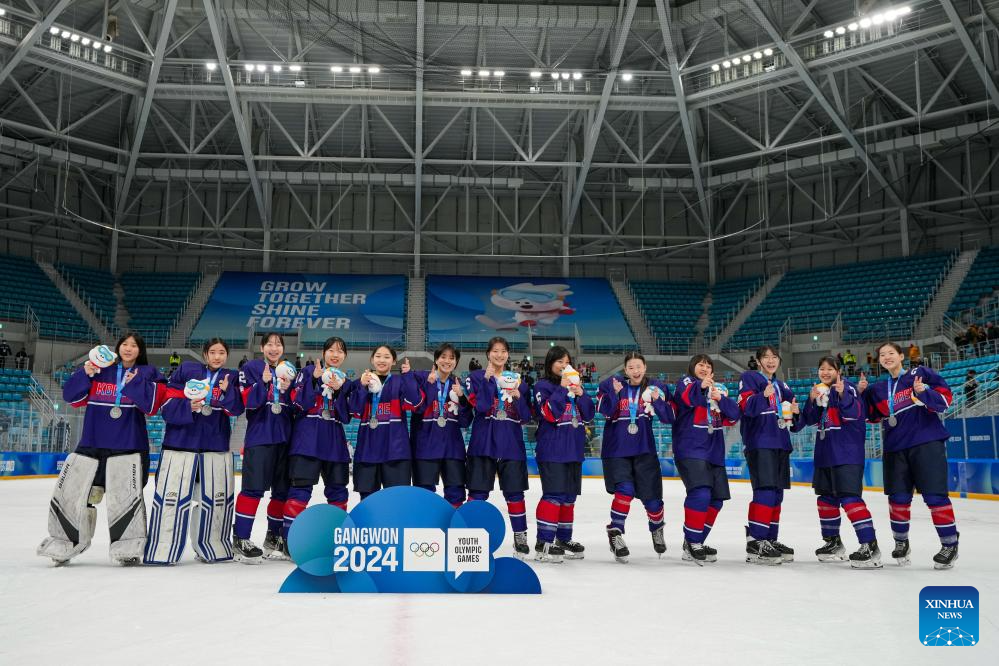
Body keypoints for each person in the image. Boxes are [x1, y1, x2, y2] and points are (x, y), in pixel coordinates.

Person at [39, 332, 163, 565]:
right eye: (124, 344)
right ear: (117, 347)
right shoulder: (99, 369)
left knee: (126, 498)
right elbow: (71, 396)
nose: (128, 348)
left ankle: (128, 546)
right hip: (92, 443)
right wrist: (85, 372)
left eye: (134, 345)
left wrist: (135, 383)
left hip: (129, 445)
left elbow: (153, 406)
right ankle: (66, 542)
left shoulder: (148, 373)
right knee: (77, 494)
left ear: (140, 350)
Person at [146, 337, 244, 564]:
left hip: (214, 445)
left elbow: (237, 409)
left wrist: (227, 392)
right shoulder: (186, 370)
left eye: (221, 352)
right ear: (205, 354)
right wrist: (187, 406)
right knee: (172, 499)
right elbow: (166, 405)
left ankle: (211, 545)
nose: (217, 356)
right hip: (181, 443)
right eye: (213, 352)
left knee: (214, 500)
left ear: (227, 355)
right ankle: (164, 548)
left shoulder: (230, 377)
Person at [862, 341, 958, 569]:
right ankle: (901, 542)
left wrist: (924, 392)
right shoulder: (877, 389)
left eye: (891, 353)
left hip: (926, 443)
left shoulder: (920, 374)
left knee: (935, 496)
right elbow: (870, 416)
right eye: (882, 355)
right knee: (898, 498)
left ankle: (949, 545)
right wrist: (861, 394)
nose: (886, 357)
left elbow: (945, 400)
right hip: (895, 448)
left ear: (901, 356)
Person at [800, 358, 881, 568]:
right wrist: (811, 400)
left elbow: (855, 413)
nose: (825, 372)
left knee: (850, 498)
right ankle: (833, 543)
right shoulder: (821, 392)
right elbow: (809, 420)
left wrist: (843, 394)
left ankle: (870, 546)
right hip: (825, 455)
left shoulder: (849, 388)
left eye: (830, 369)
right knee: (826, 500)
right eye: (822, 368)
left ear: (839, 371)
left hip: (846, 454)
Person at [596, 351, 674, 563]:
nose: (635, 371)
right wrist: (613, 393)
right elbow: (605, 412)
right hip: (617, 450)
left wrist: (657, 401)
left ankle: (657, 528)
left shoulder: (655, 388)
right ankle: (615, 532)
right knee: (625, 490)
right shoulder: (613, 385)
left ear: (645, 367)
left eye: (638, 366)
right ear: (625, 370)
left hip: (644, 450)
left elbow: (668, 418)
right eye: (631, 367)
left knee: (653, 500)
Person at [464, 336, 533, 558]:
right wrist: (486, 380)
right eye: (495, 351)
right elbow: (481, 407)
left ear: (508, 354)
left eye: (503, 351)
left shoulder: (519, 381)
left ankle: (520, 535)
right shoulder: (475, 377)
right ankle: (469, 535)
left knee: (515, 492)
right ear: (488, 354)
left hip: (511, 444)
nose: (499, 355)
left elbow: (525, 417)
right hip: (483, 442)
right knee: (477, 492)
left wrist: (519, 397)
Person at [283, 337, 354, 538]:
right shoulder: (307, 372)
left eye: (340, 351)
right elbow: (298, 404)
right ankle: (290, 539)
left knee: (338, 491)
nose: (335, 355)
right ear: (323, 353)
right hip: (307, 439)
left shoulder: (346, 382)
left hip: (334, 441)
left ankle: (337, 538)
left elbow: (346, 417)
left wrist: (339, 392)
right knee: (300, 489)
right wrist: (314, 379)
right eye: (331, 350)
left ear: (345, 356)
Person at [672, 354, 740, 564]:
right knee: (701, 493)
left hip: (714, 452)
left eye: (708, 366)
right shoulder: (685, 383)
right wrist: (702, 387)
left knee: (716, 499)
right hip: (691, 448)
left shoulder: (718, 390)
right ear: (693, 367)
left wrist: (720, 398)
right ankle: (693, 541)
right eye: (700, 365)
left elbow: (734, 416)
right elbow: (688, 398)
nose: (704, 368)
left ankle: (695, 541)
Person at [234, 332, 295, 562]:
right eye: (269, 344)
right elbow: (247, 402)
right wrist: (264, 382)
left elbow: (295, 406)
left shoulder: (289, 370)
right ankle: (241, 538)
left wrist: (289, 389)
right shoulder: (251, 368)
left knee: (281, 491)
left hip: (285, 438)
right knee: (252, 489)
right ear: (261, 348)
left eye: (278, 344)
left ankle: (273, 536)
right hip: (260, 436)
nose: (274, 348)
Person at [737, 345, 800, 565]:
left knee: (776, 494)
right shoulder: (750, 378)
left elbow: (794, 419)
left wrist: (796, 412)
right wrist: (763, 396)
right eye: (766, 357)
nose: (771, 361)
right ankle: (756, 541)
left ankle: (770, 539)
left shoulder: (782, 385)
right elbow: (746, 407)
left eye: (774, 357)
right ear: (758, 361)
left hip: (781, 443)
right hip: (760, 442)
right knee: (764, 491)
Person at [533, 346, 594, 563]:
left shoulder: (576, 386)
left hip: (574, 449)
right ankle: (544, 541)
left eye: (567, 362)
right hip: (552, 449)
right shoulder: (542, 386)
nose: (563, 365)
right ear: (550, 364)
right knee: (554, 495)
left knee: (569, 498)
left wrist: (582, 394)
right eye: (559, 361)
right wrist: (562, 388)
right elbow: (550, 413)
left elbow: (589, 415)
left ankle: (563, 539)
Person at [348, 345, 421, 498]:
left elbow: (414, 403)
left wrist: (408, 376)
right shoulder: (361, 382)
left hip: (396, 451)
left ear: (394, 361)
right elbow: (354, 411)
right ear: (372, 359)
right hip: (367, 451)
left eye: (387, 357)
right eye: (378, 356)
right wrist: (362, 386)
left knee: (396, 499)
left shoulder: (400, 381)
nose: (382, 360)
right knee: (368, 500)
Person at [409, 343, 472, 508]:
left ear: (456, 362)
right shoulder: (421, 379)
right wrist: (429, 385)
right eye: (443, 357)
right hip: (426, 446)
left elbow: (465, 421)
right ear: (436, 359)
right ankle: (427, 525)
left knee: (456, 492)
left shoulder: (458, 386)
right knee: (424, 493)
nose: (447, 361)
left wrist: (462, 397)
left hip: (452, 448)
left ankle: (452, 523)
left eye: (452, 358)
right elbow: (416, 408)